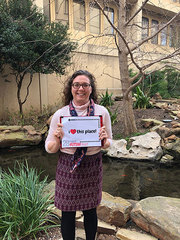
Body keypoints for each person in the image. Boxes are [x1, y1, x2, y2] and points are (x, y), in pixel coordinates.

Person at [45, 70, 112, 240]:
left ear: (91, 88)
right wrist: (58, 139)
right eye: (76, 85)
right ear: (71, 88)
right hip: (68, 165)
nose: (80, 88)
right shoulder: (60, 115)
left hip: (92, 164)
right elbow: (49, 148)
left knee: (90, 210)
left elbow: (110, 143)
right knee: (67, 211)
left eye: (85, 85)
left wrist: (104, 140)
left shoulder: (101, 112)